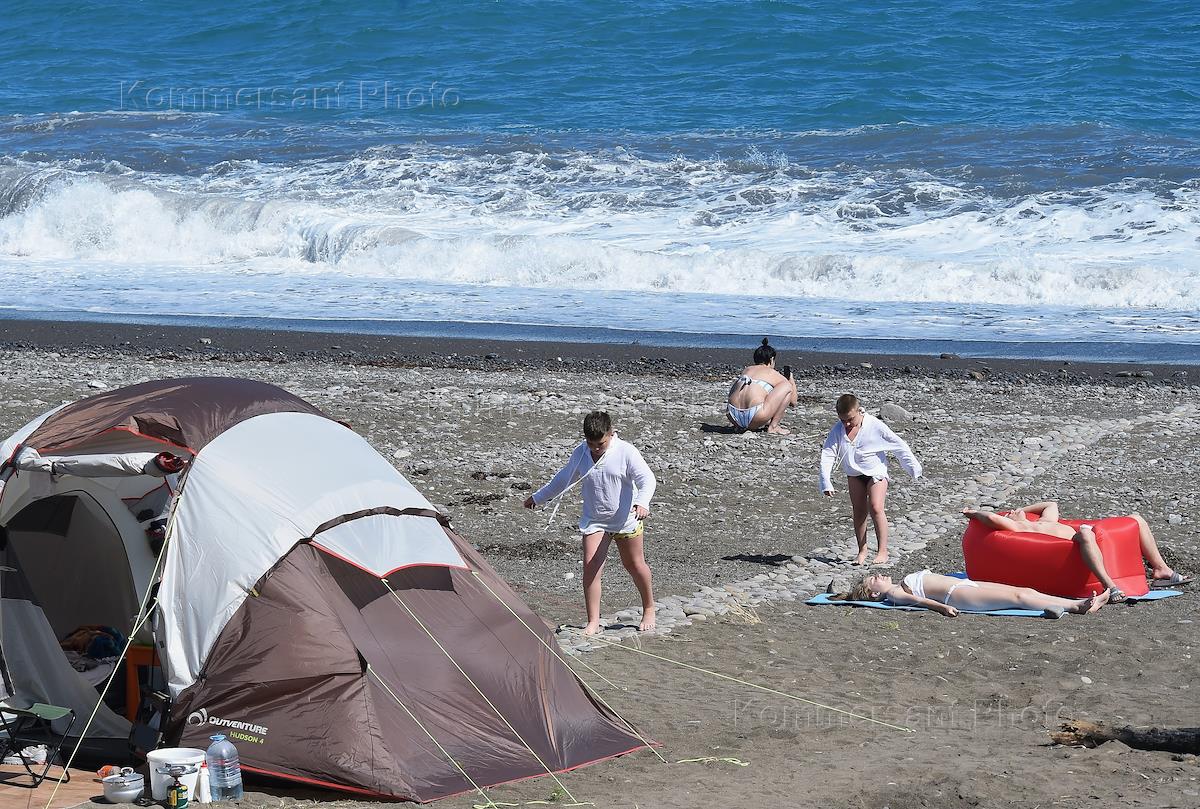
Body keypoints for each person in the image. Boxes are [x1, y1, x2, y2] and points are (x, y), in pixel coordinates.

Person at [524, 411, 657, 635]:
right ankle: (593, 621)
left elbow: (647, 479)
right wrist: (538, 497)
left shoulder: (625, 452)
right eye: (591, 443)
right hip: (595, 521)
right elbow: (564, 478)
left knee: (634, 565)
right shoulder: (581, 453)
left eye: (601, 444)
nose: (595, 448)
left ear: (611, 433)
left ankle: (649, 607)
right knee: (590, 567)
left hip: (626, 520)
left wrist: (642, 503)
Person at [963, 502, 1193, 601]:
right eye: (1010, 512)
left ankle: (1161, 569)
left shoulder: (1043, 521)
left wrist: (1023, 508)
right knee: (1085, 534)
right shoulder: (1019, 526)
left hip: (1089, 540)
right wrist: (974, 513)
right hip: (1078, 544)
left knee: (1136, 519)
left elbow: (1050, 504)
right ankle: (1110, 586)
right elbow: (991, 518)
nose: (1012, 510)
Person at [819, 393, 922, 566]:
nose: (847, 424)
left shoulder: (874, 424)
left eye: (850, 419)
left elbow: (898, 444)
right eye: (843, 420)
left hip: (876, 471)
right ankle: (862, 550)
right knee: (859, 511)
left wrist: (913, 469)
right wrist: (825, 482)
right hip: (854, 473)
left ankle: (883, 551)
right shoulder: (838, 429)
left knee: (875, 507)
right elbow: (828, 453)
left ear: (859, 411)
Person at [831, 571, 1110, 618]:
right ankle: (1077, 608)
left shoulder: (894, 586)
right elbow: (920, 601)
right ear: (872, 592)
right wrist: (942, 609)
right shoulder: (894, 594)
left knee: (1024, 591)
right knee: (1018, 599)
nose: (879, 576)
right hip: (958, 597)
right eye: (874, 579)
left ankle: (1077, 603)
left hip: (964, 586)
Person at [726, 338, 797, 434]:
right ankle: (773, 427)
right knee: (786, 386)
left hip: (733, 416)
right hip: (755, 416)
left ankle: (740, 427)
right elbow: (793, 402)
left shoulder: (747, 370)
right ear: (772, 359)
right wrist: (790, 379)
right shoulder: (772, 373)